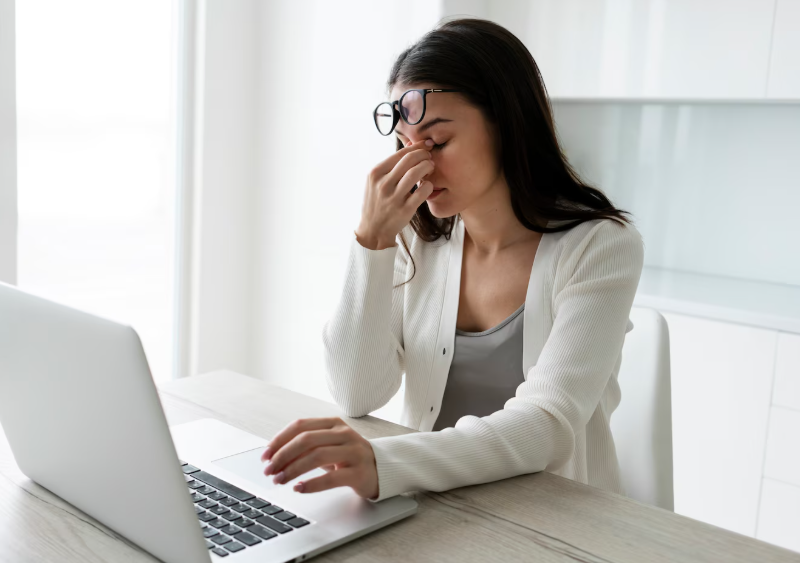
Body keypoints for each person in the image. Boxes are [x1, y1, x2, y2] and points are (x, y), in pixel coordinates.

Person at [259, 17, 643, 502]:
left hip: (553, 520)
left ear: (509, 123)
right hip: (428, 503)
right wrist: (371, 240)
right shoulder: (414, 239)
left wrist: (385, 463)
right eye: (403, 143)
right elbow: (358, 394)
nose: (416, 163)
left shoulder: (600, 246)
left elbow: (548, 424)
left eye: (437, 142)